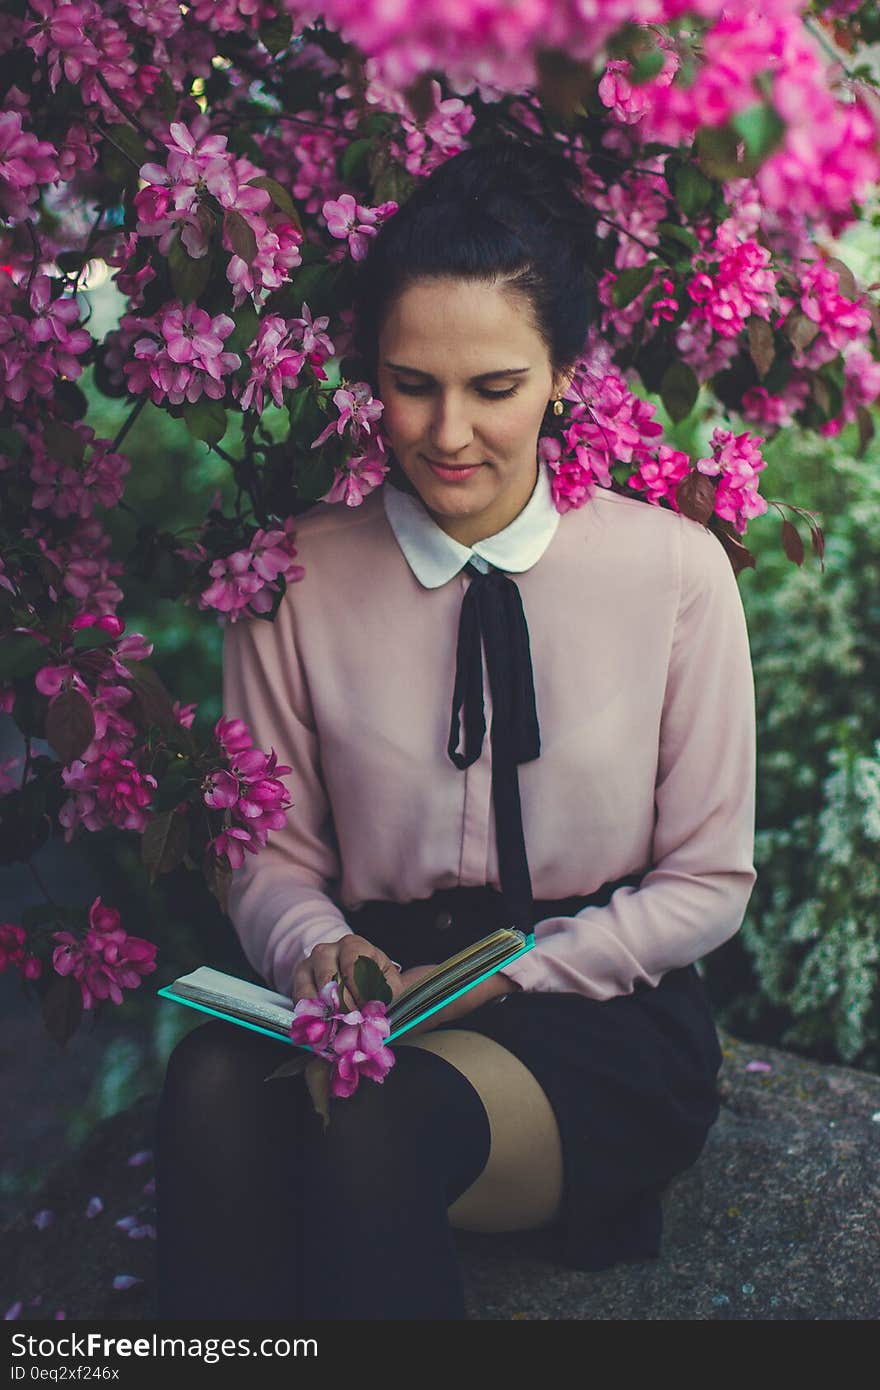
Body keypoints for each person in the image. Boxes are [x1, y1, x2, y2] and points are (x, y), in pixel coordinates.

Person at [154, 138, 757, 1321]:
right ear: (371, 373)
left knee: (370, 1130)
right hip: (370, 976)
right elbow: (267, 852)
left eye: (494, 387)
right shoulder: (294, 578)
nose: (445, 433)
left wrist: (509, 972)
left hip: (591, 1005)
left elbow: (708, 880)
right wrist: (314, 950)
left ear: (562, 374)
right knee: (208, 1088)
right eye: (410, 382)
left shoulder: (674, 572)